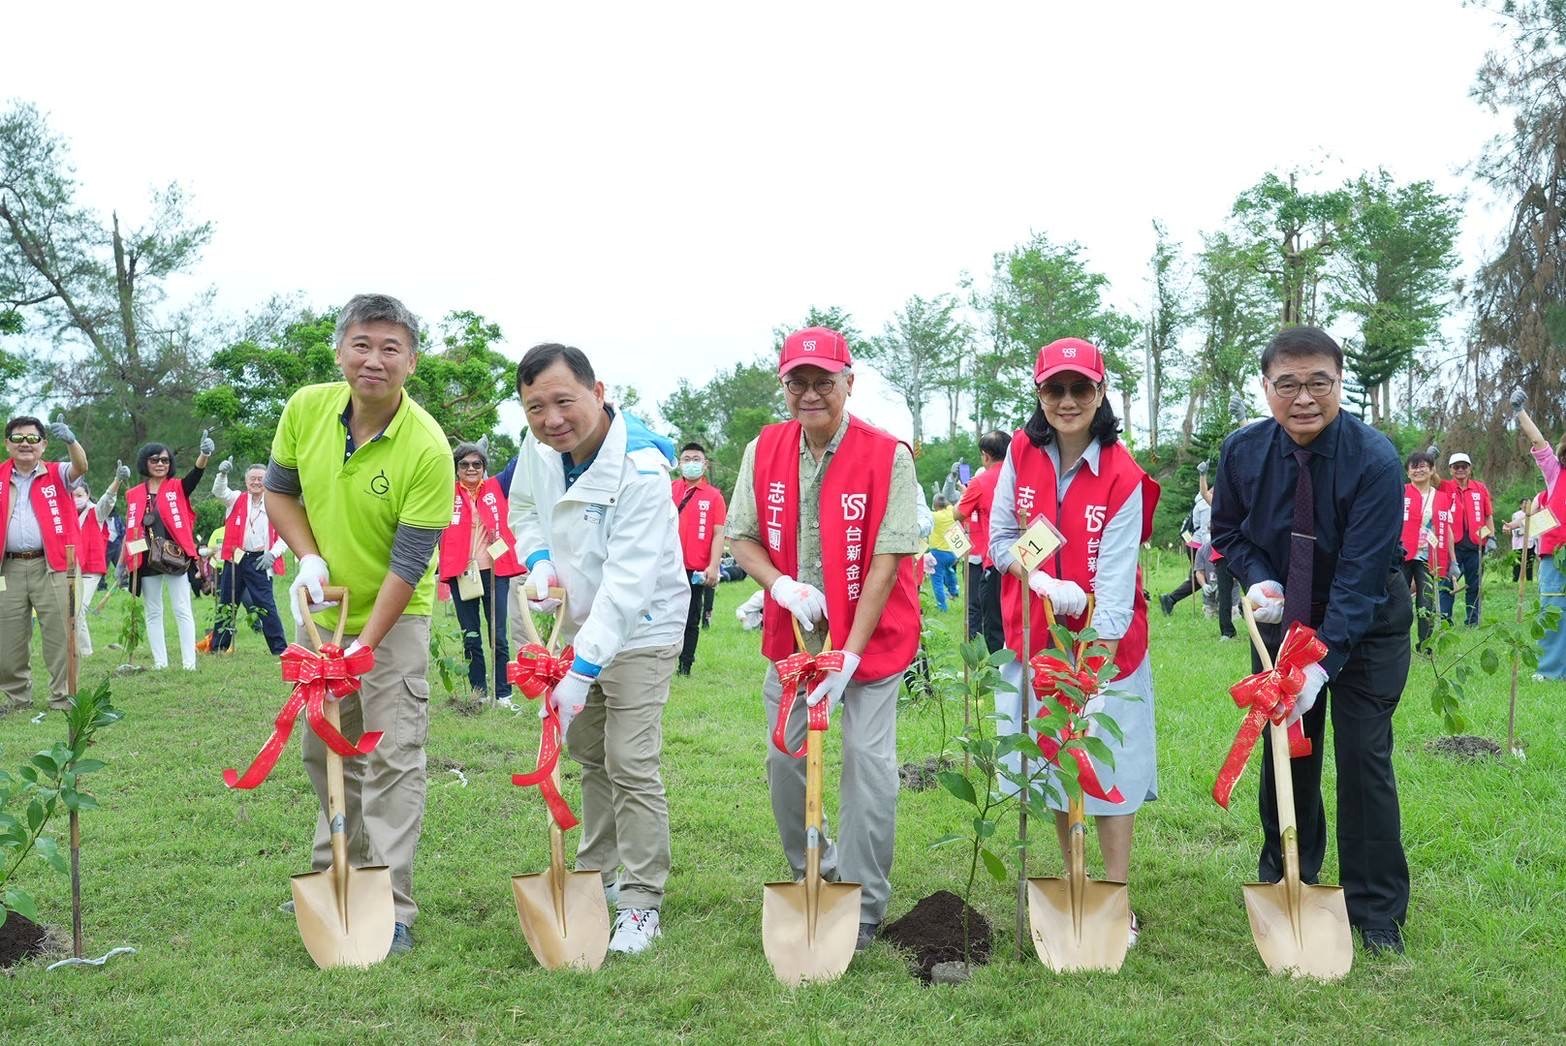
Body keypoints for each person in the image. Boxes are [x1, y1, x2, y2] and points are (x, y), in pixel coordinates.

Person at [1210, 325, 1412, 955]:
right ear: (1266, 386)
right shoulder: (1243, 452)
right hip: (1281, 625)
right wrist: (1261, 578)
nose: (1303, 398)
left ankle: (1375, 909)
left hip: (1367, 626)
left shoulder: (1375, 461)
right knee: (1286, 755)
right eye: (1288, 384)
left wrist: (1319, 669)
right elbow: (1228, 533)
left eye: (1318, 382)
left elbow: (1361, 577)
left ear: (1339, 383)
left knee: (1362, 759)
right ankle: (1288, 871)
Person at [265, 293, 453, 956]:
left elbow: (409, 562)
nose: (374, 360)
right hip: (324, 609)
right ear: (340, 350)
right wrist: (308, 556)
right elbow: (280, 490)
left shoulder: (428, 449)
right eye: (362, 345)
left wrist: (364, 649)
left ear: (412, 360)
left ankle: (394, 905)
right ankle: (336, 867)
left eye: (390, 348)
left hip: (393, 615)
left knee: (391, 755)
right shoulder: (306, 409)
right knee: (323, 747)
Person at [729, 326, 922, 953]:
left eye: (823, 382)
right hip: (796, 640)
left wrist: (850, 655)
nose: (810, 393)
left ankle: (863, 905)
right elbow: (742, 537)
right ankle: (810, 868)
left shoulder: (887, 454)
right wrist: (779, 585)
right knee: (785, 757)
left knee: (868, 764)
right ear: (784, 386)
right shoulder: (764, 449)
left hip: (871, 639)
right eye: (798, 382)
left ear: (848, 383)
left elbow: (888, 561)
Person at [507, 342, 687, 956]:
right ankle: (597, 873)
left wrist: (582, 671)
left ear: (598, 392)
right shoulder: (537, 450)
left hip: (643, 629)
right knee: (590, 759)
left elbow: (629, 583)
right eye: (536, 407)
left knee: (629, 761)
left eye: (564, 401)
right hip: (573, 626)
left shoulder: (640, 470)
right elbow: (525, 508)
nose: (552, 419)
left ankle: (640, 901)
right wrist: (536, 559)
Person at [988, 338, 1159, 949]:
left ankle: (1114, 892)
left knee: (1106, 767)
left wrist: (1093, 669)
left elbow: (1114, 587)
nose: (1067, 401)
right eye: (1054, 389)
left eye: (1079, 388)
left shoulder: (1123, 474)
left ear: (1100, 392)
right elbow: (999, 536)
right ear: (1039, 393)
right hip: (1035, 640)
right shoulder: (1020, 453)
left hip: (1107, 647)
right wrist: (1035, 574)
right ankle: (1073, 877)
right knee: (1058, 762)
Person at [1, 416, 88, 714]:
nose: (26, 444)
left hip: (52, 565)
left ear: (44, 444)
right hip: (7, 569)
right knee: (8, 636)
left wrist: (71, 441)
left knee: (61, 633)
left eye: (33, 439)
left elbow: (81, 467)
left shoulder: (58, 472)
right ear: (7, 443)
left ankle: (62, 696)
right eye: (18, 438)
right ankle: (17, 699)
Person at [439, 441, 521, 704]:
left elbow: (521, 460)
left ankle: (503, 694)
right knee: (470, 635)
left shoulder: (497, 487)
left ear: (484, 467)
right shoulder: (445, 494)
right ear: (456, 468)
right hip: (463, 572)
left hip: (496, 570)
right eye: (464, 464)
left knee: (498, 635)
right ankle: (479, 693)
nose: (471, 469)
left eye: (477, 464)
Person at [125, 433, 212, 671]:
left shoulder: (177, 488)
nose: (160, 464)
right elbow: (131, 529)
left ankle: (188, 664)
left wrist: (204, 454)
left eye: (164, 460)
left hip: (175, 556)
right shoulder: (133, 494)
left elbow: (195, 475)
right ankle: (160, 663)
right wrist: (127, 560)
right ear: (145, 463)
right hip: (146, 559)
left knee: (182, 608)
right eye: (154, 460)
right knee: (153, 611)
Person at [210, 460, 289, 656]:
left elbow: (286, 534)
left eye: (260, 479)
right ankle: (218, 646)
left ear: (267, 480)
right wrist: (222, 474)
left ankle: (280, 649)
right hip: (235, 558)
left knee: (266, 604)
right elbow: (219, 491)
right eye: (252, 478)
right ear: (246, 481)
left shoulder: (274, 503)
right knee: (227, 601)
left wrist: (273, 554)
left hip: (260, 559)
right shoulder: (236, 498)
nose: (256, 482)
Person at [1514, 394, 1566, 678]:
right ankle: (1550, 671)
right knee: (1554, 610)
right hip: (1556, 556)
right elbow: (1539, 442)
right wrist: (1520, 412)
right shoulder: (1556, 473)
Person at [671, 441, 727, 676]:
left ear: (704, 464)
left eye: (696, 459)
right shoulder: (668, 489)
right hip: (668, 567)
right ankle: (661, 662)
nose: (691, 463)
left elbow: (718, 534)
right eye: (686, 459)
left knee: (691, 617)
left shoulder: (714, 497)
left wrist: (713, 566)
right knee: (664, 616)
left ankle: (685, 666)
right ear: (679, 463)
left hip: (696, 569)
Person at [956, 430, 1010, 653]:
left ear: (985, 455)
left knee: (993, 621)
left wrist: (966, 493)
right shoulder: (1020, 477)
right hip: (1024, 558)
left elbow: (957, 514)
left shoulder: (979, 482)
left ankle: (1001, 674)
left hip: (994, 558)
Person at [71, 467, 126, 657]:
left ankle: (85, 652)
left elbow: (108, 500)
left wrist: (117, 481)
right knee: (69, 611)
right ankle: (73, 648)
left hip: (90, 570)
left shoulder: (96, 512)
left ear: (87, 495)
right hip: (68, 568)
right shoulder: (64, 513)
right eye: (72, 494)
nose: (75, 498)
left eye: (79, 494)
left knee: (77, 609)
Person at [1436, 451, 1494, 627]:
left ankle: (1472, 621)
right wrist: (1431, 458)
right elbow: (1432, 478)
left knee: (1474, 586)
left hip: (1476, 546)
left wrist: (1491, 536)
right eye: (1456, 467)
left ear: (1469, 468)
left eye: (1464, 466)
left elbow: (1488, 515)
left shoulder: (1480, 488)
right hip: (1452, 546)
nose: (1460, 469)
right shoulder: (1444, 486)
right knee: (1446, 584)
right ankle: (1446, 621)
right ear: (1451, 469)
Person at [1397, 449, 1443, 651]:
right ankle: (1397, 644)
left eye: (1423, 466)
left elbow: (1446, 528)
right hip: (1402, 553)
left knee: (1426, 601)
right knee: (1399, 601)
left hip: (1427, 556)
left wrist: (1453, 561)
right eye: (1414, 467)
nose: (1418, 470)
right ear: (1407, 472)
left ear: (1432, 470)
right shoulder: (1400, 492)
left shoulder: (1441, 497)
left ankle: (1425, 646)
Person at [1159, 487, 1211, 616]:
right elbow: (1206, 530)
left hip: (1195, 543)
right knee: (1204, 576)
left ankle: (1170, 599)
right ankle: (1170, 599)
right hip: (1200, 545)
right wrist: (1209, 550)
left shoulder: (1202, 502)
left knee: (1200, 577)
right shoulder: (1206, 505)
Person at [926, 494, 961, 612]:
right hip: (952, 552)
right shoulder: (952, 511)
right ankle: (954, 591)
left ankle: (942, 607)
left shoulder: (933, 516)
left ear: (935, 505)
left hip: (938, 553)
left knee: (937, 580)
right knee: (949, 570)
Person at [1501, 496, 1539, 582]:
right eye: (1525, 503)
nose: (1526, 506)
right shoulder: (1516, 515)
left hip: (1530, 543)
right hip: (1519, 544)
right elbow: (1516, 530)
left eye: (1529, 504)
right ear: (1521, 505)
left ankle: (1529, 580)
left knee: (1529, 563)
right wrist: (1527, 529)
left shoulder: (1533, 514)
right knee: (1517, 563)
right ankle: (1515, 580)